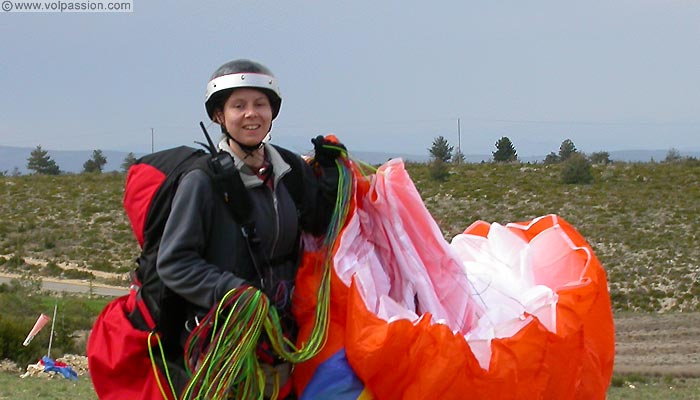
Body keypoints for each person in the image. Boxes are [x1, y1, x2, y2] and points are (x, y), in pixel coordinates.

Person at [155, 59, 344, 398]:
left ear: (272, 112)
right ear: (219, 116)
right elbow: (174, 262)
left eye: (260, 104)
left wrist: (331, 178)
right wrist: (234, 292)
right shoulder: (203, 181)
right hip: (224, 345)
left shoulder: (289, 171)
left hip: (279, 340)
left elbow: (316, 226)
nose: (251, 114)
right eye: (238, 105)